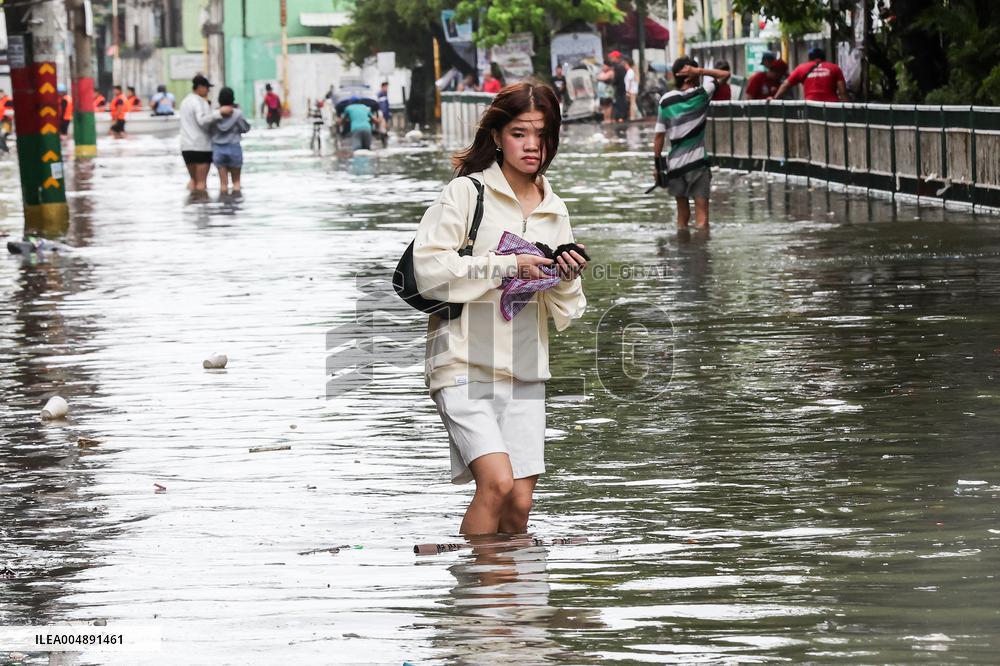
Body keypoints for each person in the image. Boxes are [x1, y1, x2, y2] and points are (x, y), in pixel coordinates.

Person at [412, 81, 587, 536]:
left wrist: (564, 277)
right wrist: (508, 265)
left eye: (543, 134)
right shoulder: (466, 195)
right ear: (497, 136)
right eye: (520, 133)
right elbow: (428, 268)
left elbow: (568, 312)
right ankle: (478, 602)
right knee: (496, 484)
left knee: (521, 503)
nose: (533, 145)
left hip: (526, 364)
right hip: (462, 360)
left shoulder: (555, 208)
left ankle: (516, 602)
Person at [652, 57, 731, 231]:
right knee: (702, 217)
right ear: (689, 76)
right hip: (698, 166)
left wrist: (658, 167)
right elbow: (726, 75)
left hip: (675, 167)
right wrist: (700, 71)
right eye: (695, 73)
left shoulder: (666, 100)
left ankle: (683, 252)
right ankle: (700, 254)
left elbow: (659, 137)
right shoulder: (701, 95)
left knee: (682, 217)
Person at [180, 74, 233, 192]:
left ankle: (190, 206)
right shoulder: (199, 102)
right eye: (207, 87)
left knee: (193, 180)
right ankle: (202, 208)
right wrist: (219, 113)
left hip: (186, 147)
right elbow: (202, 120)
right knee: (201, 183)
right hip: (201, 147)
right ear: (199, 87)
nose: (208, 90)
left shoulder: (185, 102)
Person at [211, 86, 250, 194]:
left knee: (223, 184)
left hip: (218, 149)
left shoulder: (215, 114)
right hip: (234, 148)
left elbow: (208, 129)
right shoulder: (237, 113)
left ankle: (223, 207)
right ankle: (236, 207)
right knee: (236, 183)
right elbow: (245, 128)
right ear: (232, 99)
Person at [773, 47, 848, 102]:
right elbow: (843, 92)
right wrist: (847, 109)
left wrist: (774, 99)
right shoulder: (834, 68)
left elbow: (785, 85)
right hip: (831, 106)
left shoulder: (801, 68)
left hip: (811, 107)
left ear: (809, 58)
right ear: (824, 57)